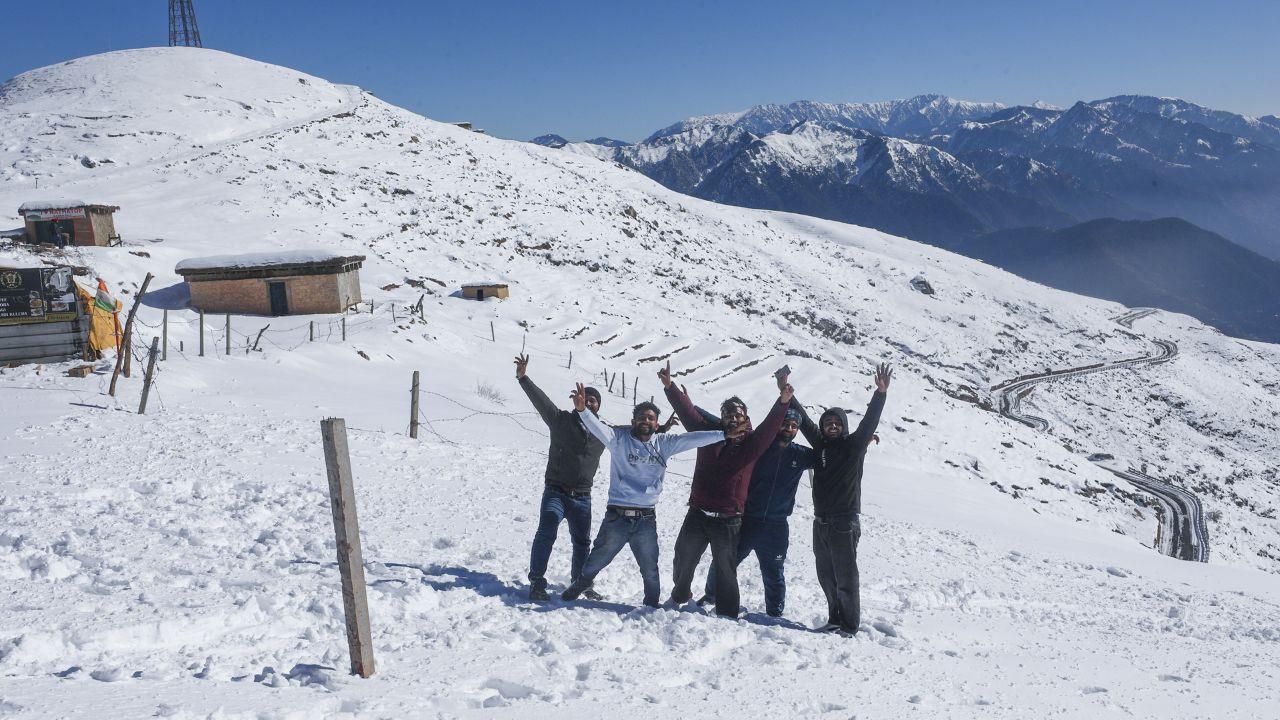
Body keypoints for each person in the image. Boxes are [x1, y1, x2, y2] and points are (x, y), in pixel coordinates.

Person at [562, 384, 731, 607]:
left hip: (645, 519)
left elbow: (693, 439)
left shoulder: (664, 444)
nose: (646, 421)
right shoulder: (618, 439)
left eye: (651, 418)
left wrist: (723, 435)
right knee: (597, 560)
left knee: (650, 568)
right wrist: (583, 411)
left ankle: (651, 604)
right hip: (617, 517)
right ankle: (579, 585)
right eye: (642, 417)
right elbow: (597, 428)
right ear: (633, 421)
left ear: (656, 424)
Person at [660, 362, 793, 618]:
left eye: (737, 415)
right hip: (698, 514)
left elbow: (769, 427)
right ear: (722, 418)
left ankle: (728, 611)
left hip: (728, 520)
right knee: (683, 559)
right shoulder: (707, 435)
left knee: (726, 569)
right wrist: (670, 387)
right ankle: (680, 595)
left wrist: (783, 402)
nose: (733, 418)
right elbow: (688, 414)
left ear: (745, 418)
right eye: (728, 415)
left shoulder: (752, 444)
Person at [791, 363, 892, 635]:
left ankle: (849, 625)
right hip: (821, 522)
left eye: (837, 423)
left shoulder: (853, 446)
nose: (832, 426)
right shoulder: (820, 445)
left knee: (846, 576)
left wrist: (880, 394)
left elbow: (869, 422)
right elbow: (804, 421)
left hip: (844, 522)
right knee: (826, 574)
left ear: (843, 427)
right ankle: (835, 618)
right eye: (828, 423)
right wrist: (788, 395)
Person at [699, 397, 815, 617]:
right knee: (725, 561)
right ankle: (710, 597)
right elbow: (726, 424)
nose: (789, 428)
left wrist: (859, 442)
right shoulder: (759, 445)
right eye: (785, 423)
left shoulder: (801, 455)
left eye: (794, 426)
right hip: (748, 519)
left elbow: (831, 452)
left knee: (774, 571)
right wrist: (693, 408)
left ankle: (774, 612)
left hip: (776, 526)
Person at [515, 354, 606, 601]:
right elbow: (541, 402)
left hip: (583, 497)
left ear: (598, 407)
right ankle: (537, 582)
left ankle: (580, 583)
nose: (589, 403)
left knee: (582, 542)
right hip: (556, 492)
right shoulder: (561, 420)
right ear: (577, 400)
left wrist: (660, 429)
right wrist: (523, 378)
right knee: (546, 533)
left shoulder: (604, 432)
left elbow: (632, 434)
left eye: (593, 401)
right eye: (585, 398)